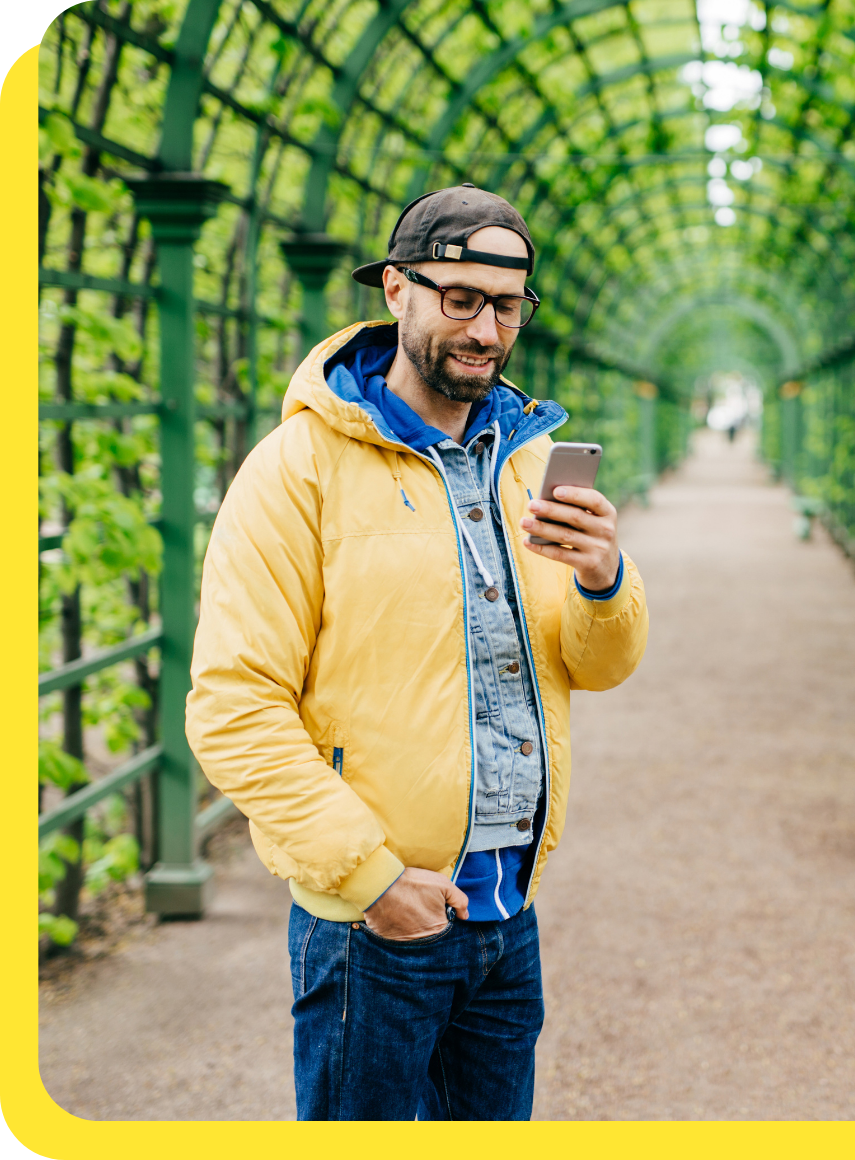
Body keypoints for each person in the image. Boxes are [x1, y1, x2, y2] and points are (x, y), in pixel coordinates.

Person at [185, 185, 649, 1120]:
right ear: (396, 289)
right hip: (377, 922)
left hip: (507, 909)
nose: (485, 328)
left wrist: (605, 579)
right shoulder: (297, 469)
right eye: (460, 298)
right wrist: (374, 881)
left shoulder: (523, 457)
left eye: (507, 304)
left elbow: (595, 666)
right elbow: (234, 707)